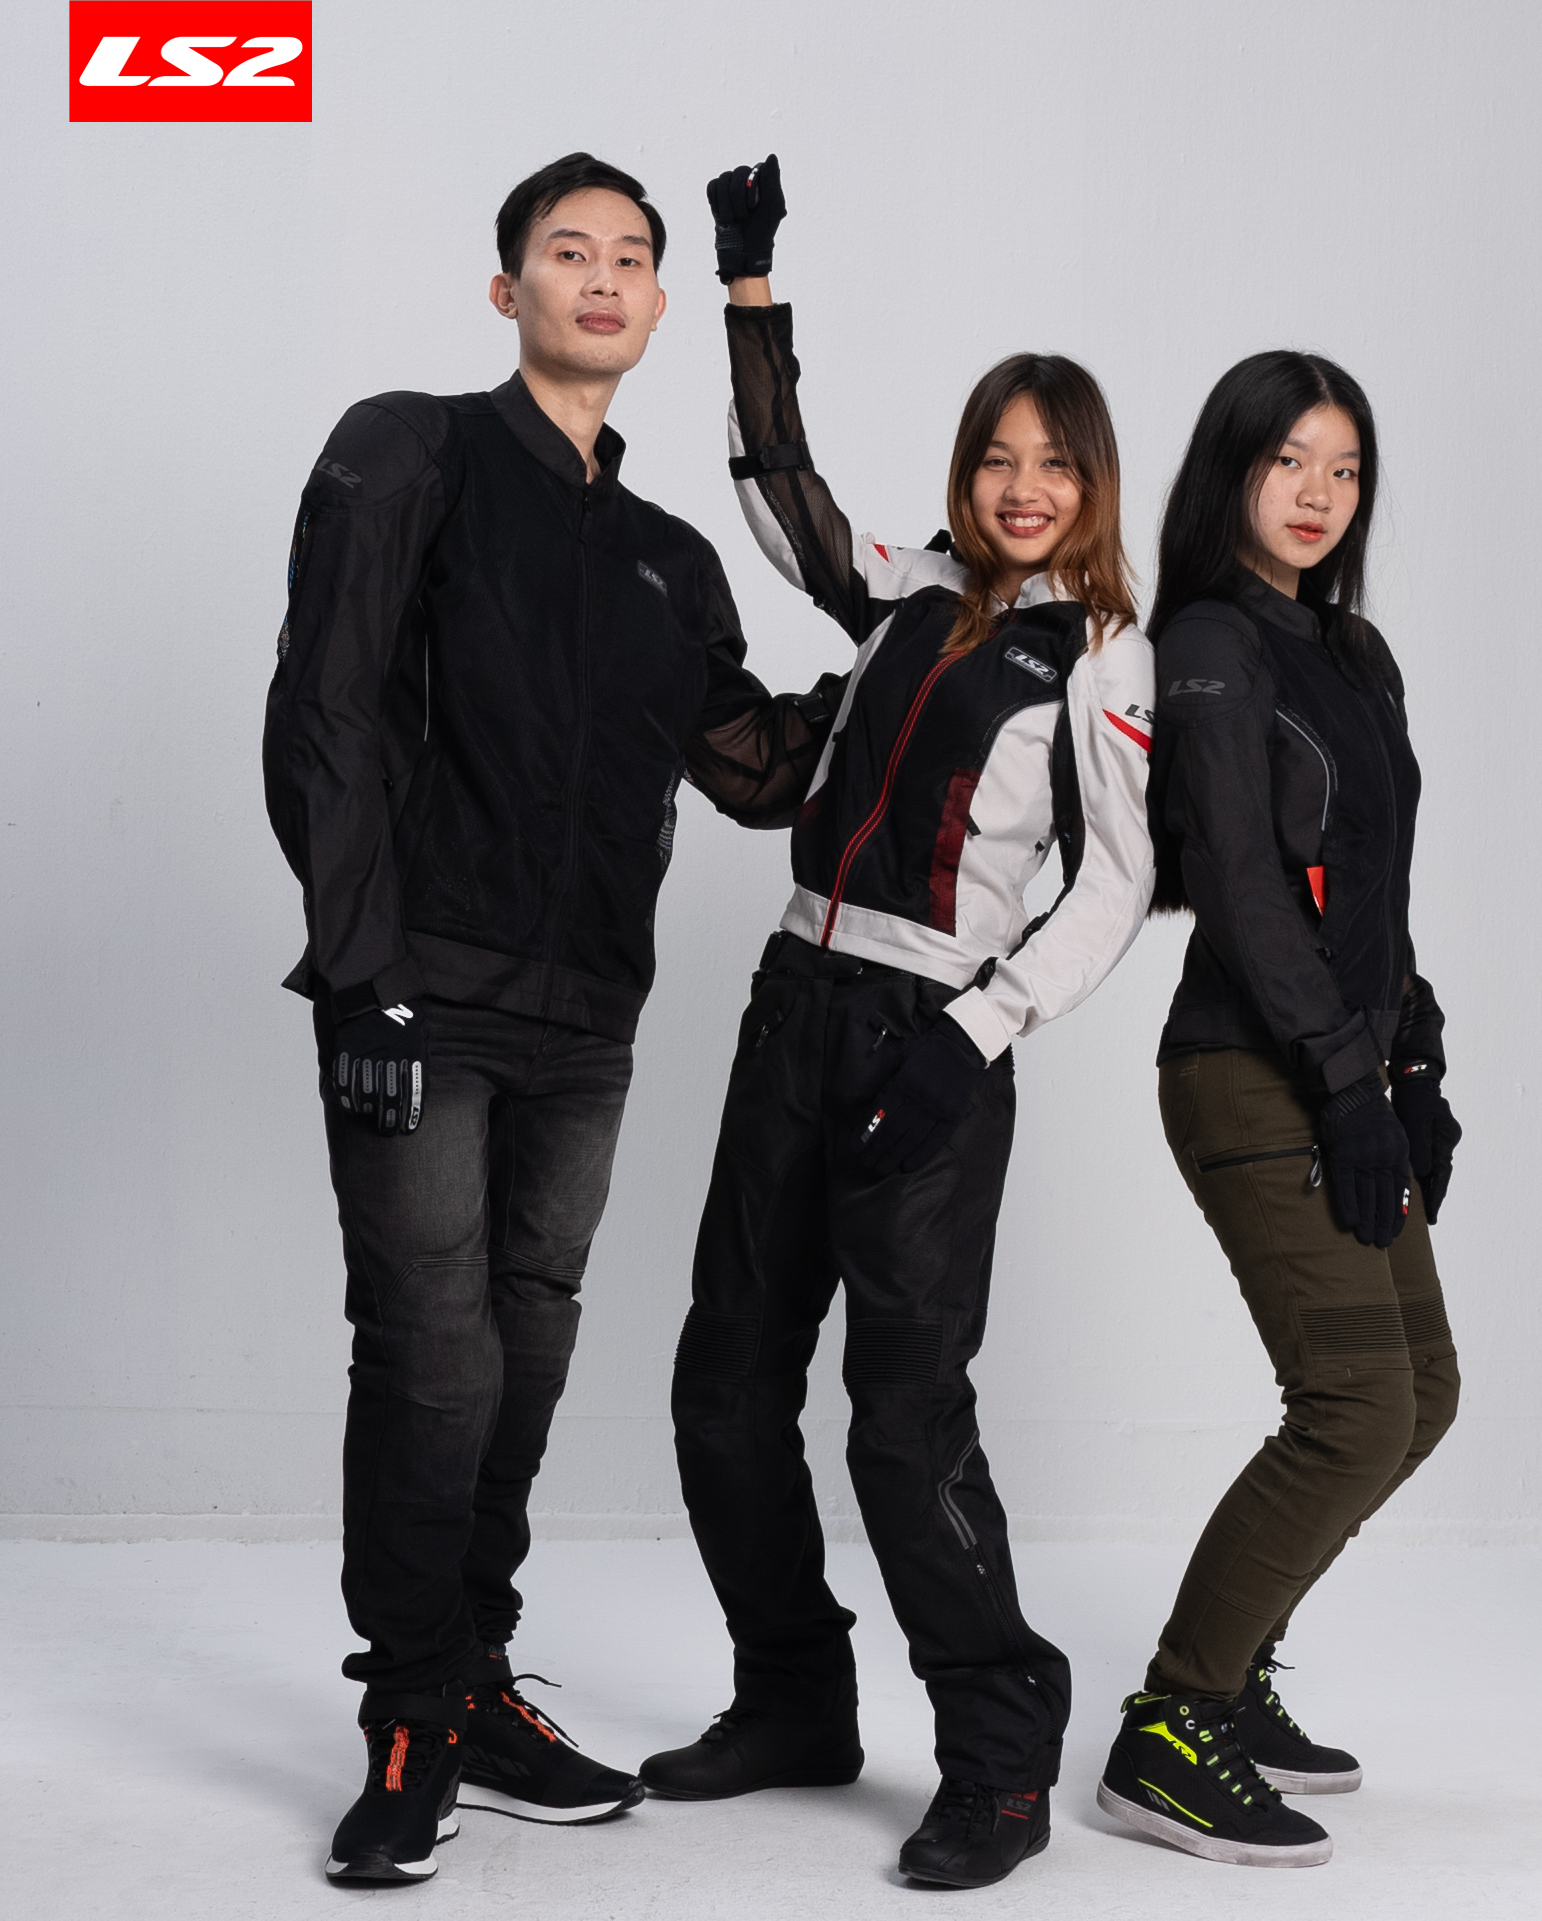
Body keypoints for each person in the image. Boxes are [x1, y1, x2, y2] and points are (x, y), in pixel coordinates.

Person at [263, 151, 845, 1885]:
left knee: (523, 1351)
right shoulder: (413, 452)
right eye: (566, 249)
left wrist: (922, 662)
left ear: (659, 301)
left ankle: (470, 1677)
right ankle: (406, 1720)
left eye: (631, 256)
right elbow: (324, 710)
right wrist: (358, 968)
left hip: (587, 1018)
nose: (601, 276)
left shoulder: (669, 561)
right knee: (430, 1354)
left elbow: (755, 770)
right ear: (504, 285)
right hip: (420, 992)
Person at [639, 158, 1157, 1892]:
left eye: (1053, 462)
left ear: (1091, 483)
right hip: (793, 1001)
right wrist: (748, 285)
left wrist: (977, 1032)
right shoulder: (907, 586)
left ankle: (999, 1757)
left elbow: (1116, 886)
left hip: (927, 1046)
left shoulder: (1103, 654)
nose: (1020, 486)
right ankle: (794, 1696)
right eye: (996, 456)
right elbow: (779, 491)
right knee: (724, 1385)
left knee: (899, 1419)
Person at [1096, 353, 1462, 1868]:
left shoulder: (1351, 650)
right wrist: (1340, 1079)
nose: (1318, 494)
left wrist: (1414, 1056)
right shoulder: (1208, 642)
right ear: (1230, 472)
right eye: (1287, 461)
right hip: (1251, 1071)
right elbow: (1243, 885)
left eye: (1344, 468)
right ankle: (1169, 1727)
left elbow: (1369, 883)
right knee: (1355, 1405)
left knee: (1420, 1390)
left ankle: (1231, 1677)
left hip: (1345, 1062)